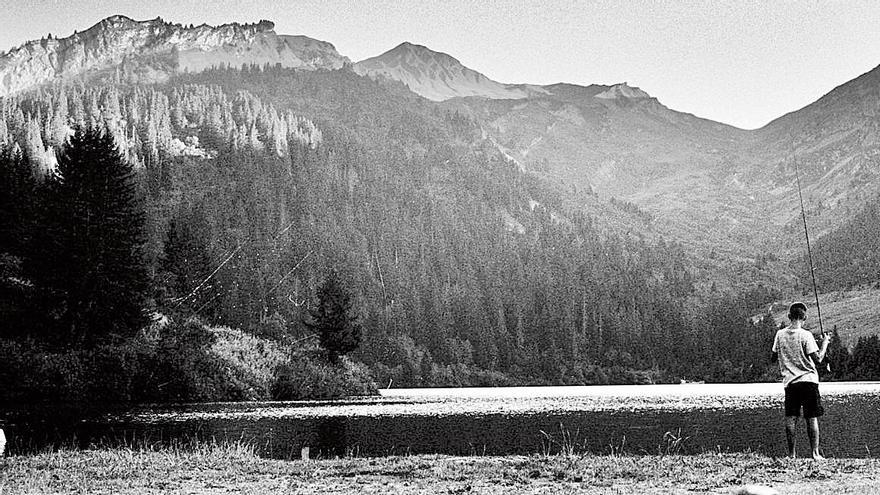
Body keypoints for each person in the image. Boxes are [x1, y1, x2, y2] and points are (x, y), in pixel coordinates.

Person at [771, 301, 830, 459]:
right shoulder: (806, 335)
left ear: (789, 316)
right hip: (809, 381)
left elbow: (772, 357)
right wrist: (824, 343)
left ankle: (792, 454)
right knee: (811, 417)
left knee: (791, 418)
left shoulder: (780, 334)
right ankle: (815, 453)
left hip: (790, 382)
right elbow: (818, 359)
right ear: (805, 317)